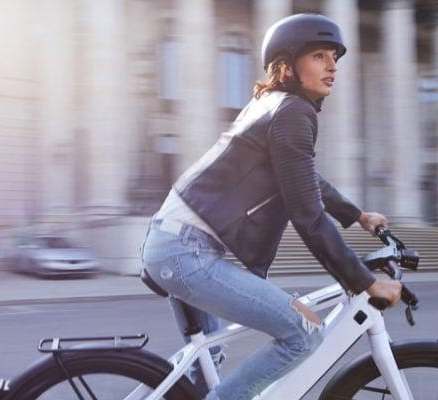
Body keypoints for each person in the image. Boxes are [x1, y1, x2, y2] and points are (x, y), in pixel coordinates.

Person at [140, 13, 402, 400]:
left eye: (334, 56)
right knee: (303, 332)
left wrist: (356, 215)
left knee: (210, 357)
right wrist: (363, 279)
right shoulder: (292, 112)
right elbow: (307, 216)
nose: (332, 65)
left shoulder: (271, 104)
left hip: (175, 243)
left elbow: (304, 178)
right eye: (318, 55)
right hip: (186, 253)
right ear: (288, 64)